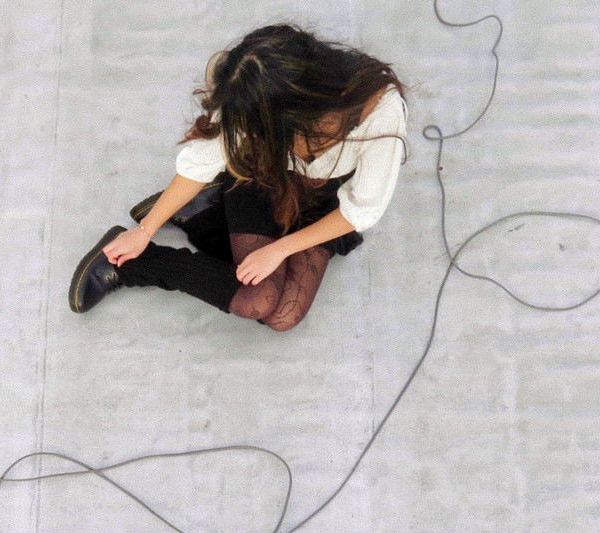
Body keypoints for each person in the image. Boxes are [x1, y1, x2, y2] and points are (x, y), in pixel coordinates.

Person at [69, 23, 409, 331]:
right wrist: (145, 231)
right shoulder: (248, 90)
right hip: (261, 179)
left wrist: (280, 249)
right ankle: (134, 264)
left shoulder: (381, 111)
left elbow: (361, 210)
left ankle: (204, 215)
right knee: (257, 299)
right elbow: (199, 165)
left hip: (323, 204)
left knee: (283, 315)